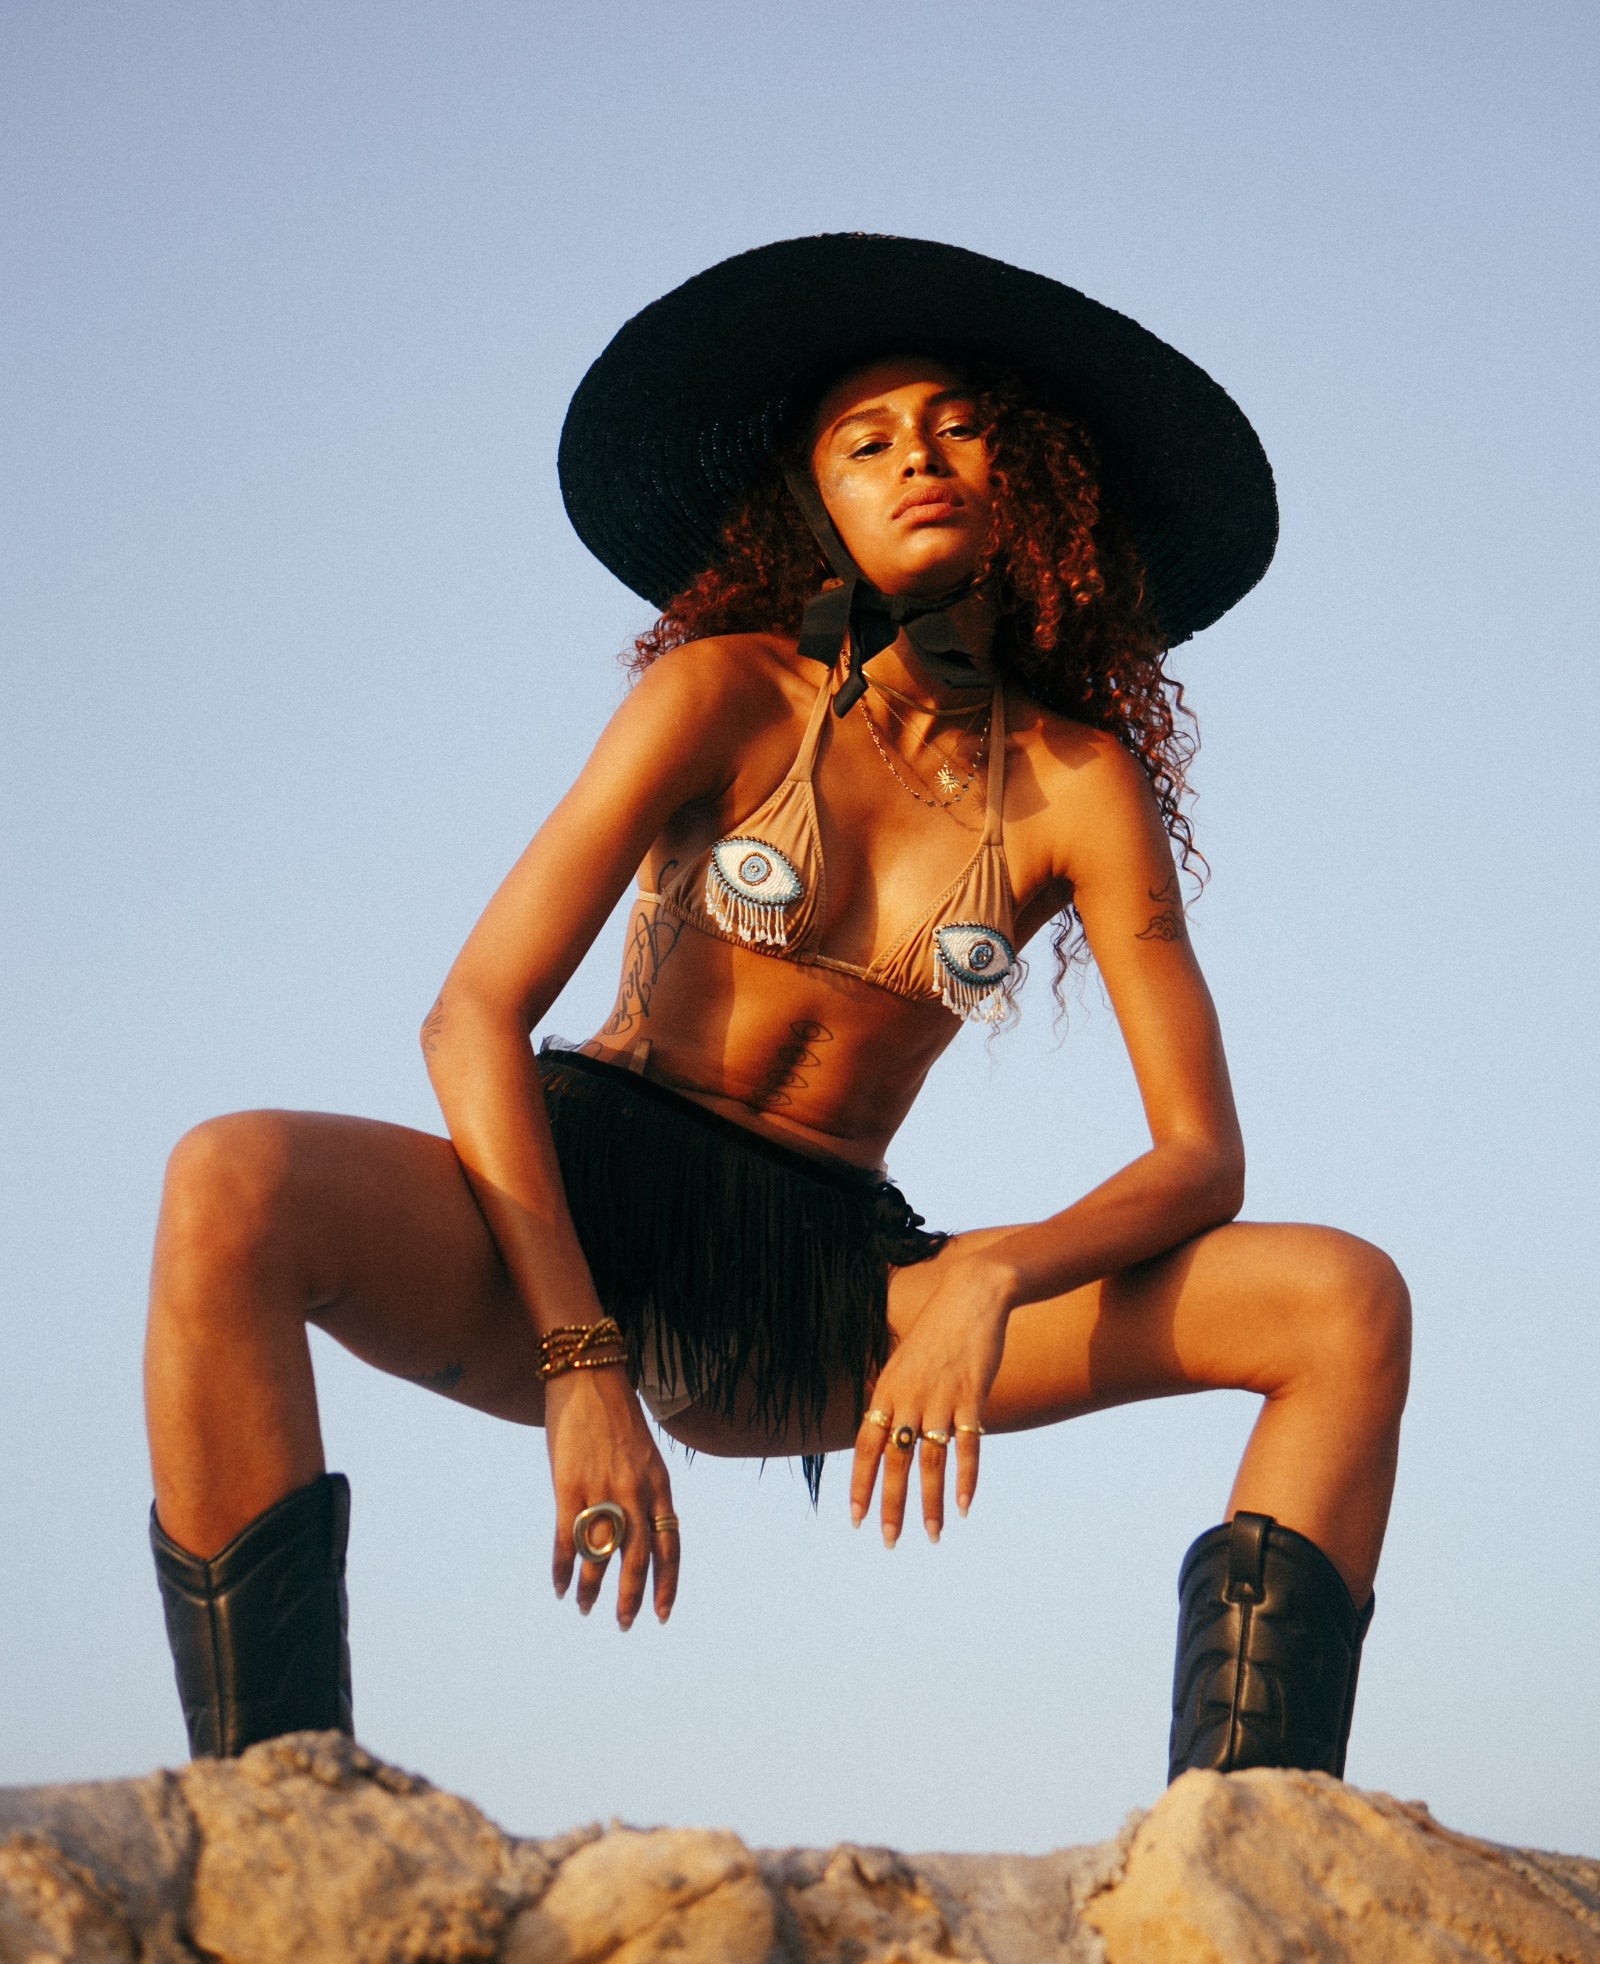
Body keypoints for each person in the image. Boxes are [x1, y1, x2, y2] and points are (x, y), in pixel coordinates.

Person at [144, 235, 1409, 1780]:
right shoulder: (724, 694)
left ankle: (1255, 1839)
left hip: (822, 1290)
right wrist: (580, 1361)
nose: (917, 458)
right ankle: (268, 1799)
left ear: (1030, 481)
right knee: (232, 1182)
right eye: (865, 444)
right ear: (817, 508)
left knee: (1340, 1301)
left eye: (957, 426)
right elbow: (472, 1014)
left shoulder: (1082, 786)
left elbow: (1200, 1158)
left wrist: (991, 1275)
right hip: (571, 1221)